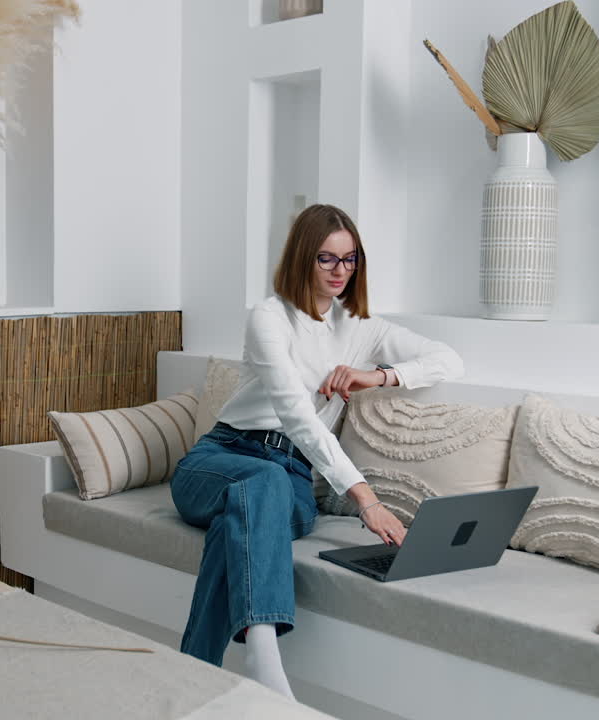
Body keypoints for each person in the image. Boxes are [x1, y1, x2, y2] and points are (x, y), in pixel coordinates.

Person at [169, 204, 464, 699]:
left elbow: (448, 359)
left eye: (349, 260)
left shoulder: (362, 327)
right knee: (256, 486)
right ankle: (266, 666)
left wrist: (379, 375)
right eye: (326, 259)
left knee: (239, 522)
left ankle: (193, 677)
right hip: (221, 458)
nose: (339, 272)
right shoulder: (269, 317)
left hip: (293, 480)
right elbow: (295, 414)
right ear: (302, 258)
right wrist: (365, 499)